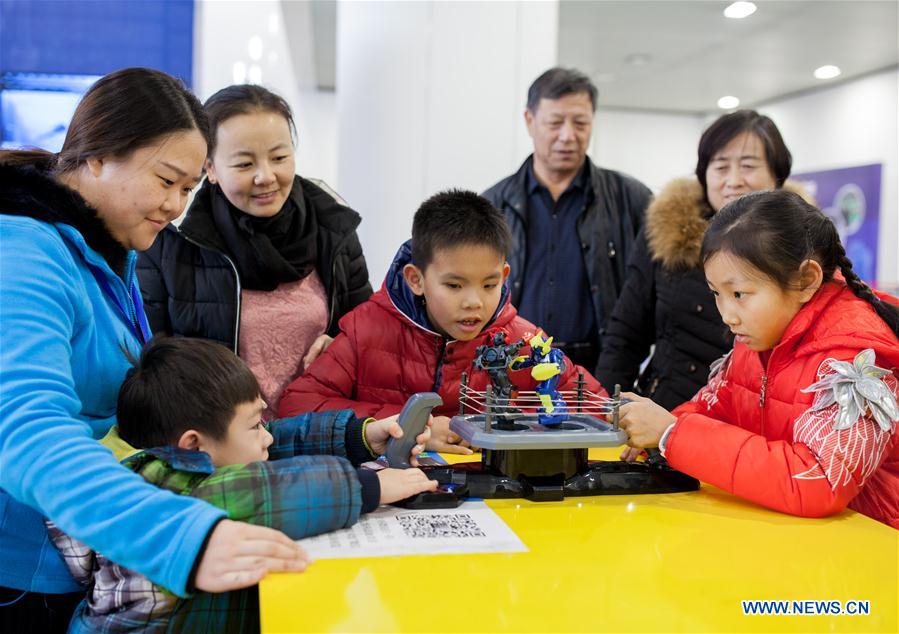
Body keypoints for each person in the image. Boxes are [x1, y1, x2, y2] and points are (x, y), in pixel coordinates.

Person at [0, 68, 307, 634]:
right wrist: (182, 538)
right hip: (26, 578)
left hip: (91, 555)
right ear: (96, 157)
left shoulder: (113, 253)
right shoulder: (25, 254)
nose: (176, 206)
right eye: (166, 180)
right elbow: (25, 429)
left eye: (189, 189)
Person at [47, 336, 435, 632]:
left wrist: (360, 437)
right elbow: (256, 490)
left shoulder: (187, 454)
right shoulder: (156, 489)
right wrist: (369, 486)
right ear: (193, 445)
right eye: (253, 425)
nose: (265, 435)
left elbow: (270, 441)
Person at [618, 190, 899, 527]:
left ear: (805, 280)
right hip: (797, 536)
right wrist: (661, 433)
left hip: (873, 546)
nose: (727, 315)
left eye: (739, 294)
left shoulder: (857, 359)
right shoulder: (758, 338)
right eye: (716, 294)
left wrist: (672, 435)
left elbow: (819, 479)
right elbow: (710, 408)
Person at [278, 190, 604, 452]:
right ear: (416, 279)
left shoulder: (527, 341)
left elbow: (597, 407)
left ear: (504, 276)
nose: (474, 301)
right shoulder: (366, 328)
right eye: (454, 285)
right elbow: (296, 407)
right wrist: (413, 425)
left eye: (489, 285)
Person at [138, 84, 372, 419]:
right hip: (222, 444)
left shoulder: (333, 229)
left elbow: (367, 333)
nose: (266, 176)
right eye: (245, 164)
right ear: (211, 168)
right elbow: (152, 364)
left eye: (279, 157)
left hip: (323, 434)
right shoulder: (172, 244)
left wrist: (343, 346)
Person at [597, 110, 808, 410]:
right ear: (704, 174)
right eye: (720, 166)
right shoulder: (666, 234)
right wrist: (606, 411)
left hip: (757, 419)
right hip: (665, 410)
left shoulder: (802, 244)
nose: (733, 181)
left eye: (748, 166)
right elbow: (627, 332)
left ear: (777, 175)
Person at [482, 67, 652, 373]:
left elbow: (652, 296)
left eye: (580, 123)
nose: (567, 136)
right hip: (513, 369)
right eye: (555, 122)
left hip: (601, 371)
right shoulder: (492, 205)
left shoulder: (632, 200)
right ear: (530, 121)